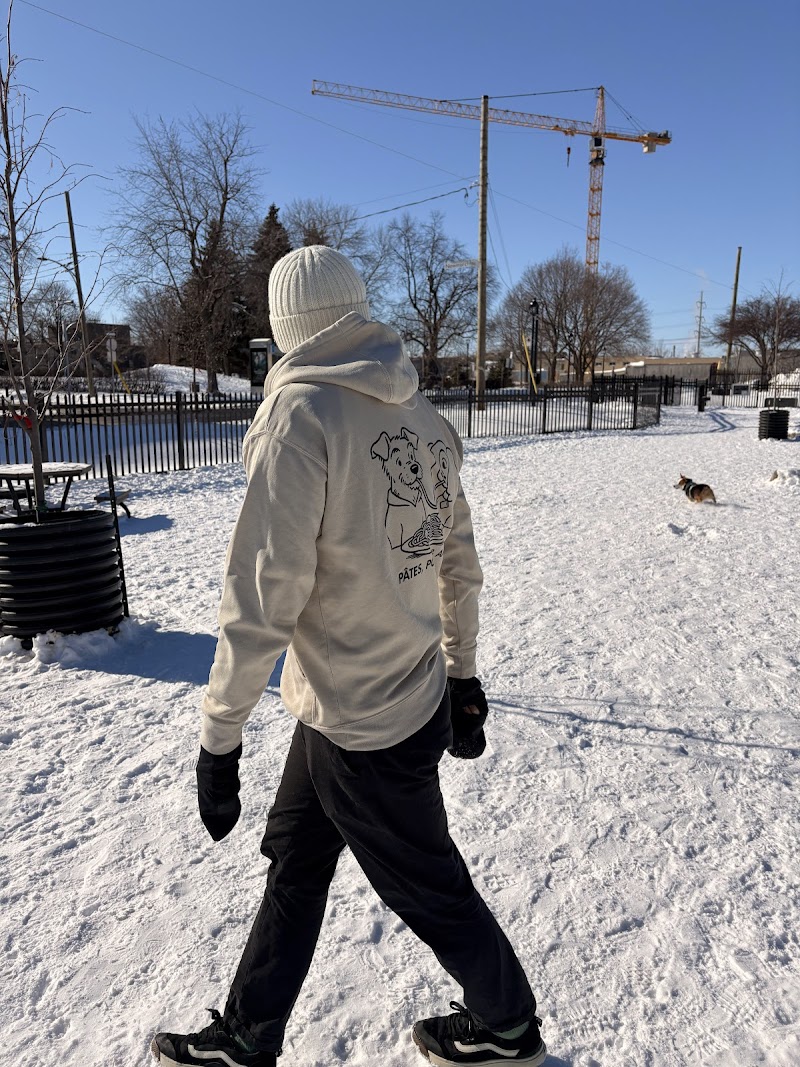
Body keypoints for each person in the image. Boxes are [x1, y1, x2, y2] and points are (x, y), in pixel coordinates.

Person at [151, 246, 545, 1067]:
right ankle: (251, 1032)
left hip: (363, 722)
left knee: (425, 883)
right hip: (389, 696)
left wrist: (218, 737)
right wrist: (462, 676)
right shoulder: (423, 417)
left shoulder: (302, 418)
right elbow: (457, 562)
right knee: (295, 854)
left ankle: (507, 1022)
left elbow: (262, 596)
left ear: (284, 326)